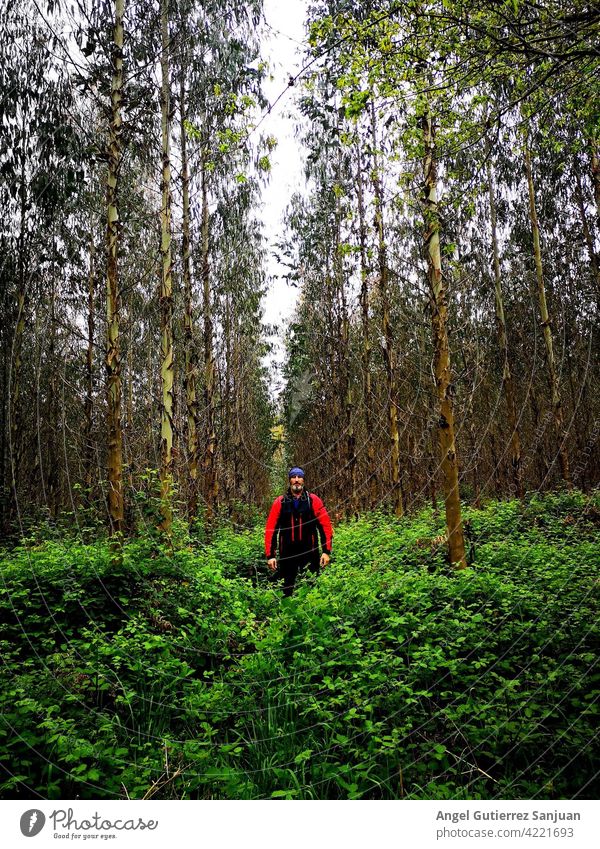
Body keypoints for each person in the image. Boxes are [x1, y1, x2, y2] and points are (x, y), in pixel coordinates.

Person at [264, 467, 333, 597]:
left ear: (303, 480)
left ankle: (312, 614)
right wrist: (271, 555)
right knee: (286, 589)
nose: (296, 480)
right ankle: (286, 614)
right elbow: (271, 529)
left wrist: (326, 552)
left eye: (299, 477)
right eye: (293, 477)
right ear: (289, 480)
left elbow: (325, 527)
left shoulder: (313, 500)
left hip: (310, 552)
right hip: (287, 554)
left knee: (312, 588)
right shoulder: (280, 502)